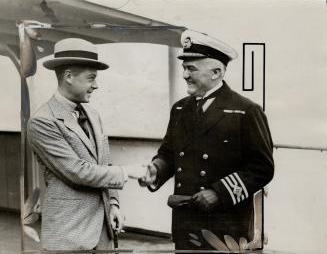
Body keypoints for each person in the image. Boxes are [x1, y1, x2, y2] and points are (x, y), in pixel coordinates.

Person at [139, 30, 274, 251]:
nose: (184, 75)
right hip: (185, 221)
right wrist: (156, 169)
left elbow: (262, 168)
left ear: (216, 72)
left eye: (191, 68)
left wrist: (218, 193)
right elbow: (168, 153)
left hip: (226, 228)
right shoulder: (180, 109)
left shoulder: (246, 111)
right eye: (184, 68)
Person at [27, 38, 137, 251]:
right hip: (69, 235)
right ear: (68, 76)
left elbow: (105, 163)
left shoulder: (93, 115)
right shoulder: (42, 121)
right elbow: (78, 172)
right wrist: (128, 172)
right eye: (91, 78)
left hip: (102, 233)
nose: (96, 85)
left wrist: (113, 204)